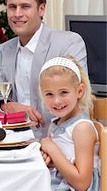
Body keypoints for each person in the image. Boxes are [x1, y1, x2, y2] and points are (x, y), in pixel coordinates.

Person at [0, 0, 87, 137]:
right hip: (12, 140)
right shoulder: (3, 51)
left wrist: (51, 147)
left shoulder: (69, 43)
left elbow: (77, 102)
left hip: (58, 141)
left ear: (41, 9)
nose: (17, 14)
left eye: (25, 7)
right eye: (12, 7)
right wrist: (8, 106)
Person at [39, 57, 100, 191]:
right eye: (49, 94)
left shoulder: (82, 128)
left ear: (79, 91)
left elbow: (82, 184)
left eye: (64, 92)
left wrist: (52, 150)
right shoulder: (55, 124)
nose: (57, 101)